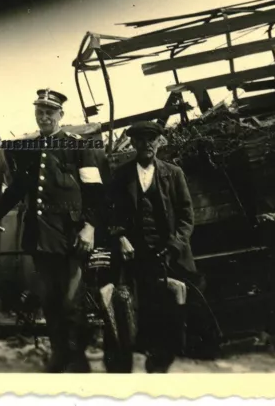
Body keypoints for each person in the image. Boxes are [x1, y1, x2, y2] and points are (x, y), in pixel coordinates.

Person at [0, 89, 106, 373]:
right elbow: (18, 189)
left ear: (61, 115)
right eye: (40, 112)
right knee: (50, 302)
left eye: (50, 112)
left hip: (71, 238)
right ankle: (59, 356)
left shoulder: (77, 147)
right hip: (41, 237)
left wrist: (90, 228)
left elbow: (95, 192)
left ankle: (78, 361)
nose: (44, 117)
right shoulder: (31, 150)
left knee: (71, 302)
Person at [106, 120, 199, 373]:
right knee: (130, 310)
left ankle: (160, 365)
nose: (146, 145)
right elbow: (110, 213)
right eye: (140, 140)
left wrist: (174, 245)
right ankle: (129, 361)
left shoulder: (173, 173)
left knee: (169, 312)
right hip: (134, 255)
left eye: (151, 139)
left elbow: (186, 217)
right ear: (133, 143)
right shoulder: (121, 175)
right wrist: (120, 237)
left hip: (168, 255)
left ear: (159, 142)